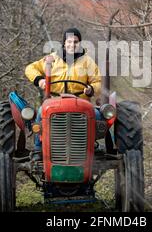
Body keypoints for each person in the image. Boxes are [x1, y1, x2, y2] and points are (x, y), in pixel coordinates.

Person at [25, 28, 102, 159]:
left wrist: (91, 89)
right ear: (64, 43)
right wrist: (40, 80)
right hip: (55, 101)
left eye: (76, 42)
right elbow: (30, 68)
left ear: (80, 43)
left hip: (81, 102)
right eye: (69, 41)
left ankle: (91, 145)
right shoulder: (52, 59)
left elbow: (97, 81)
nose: (72, 45)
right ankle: (38, 148)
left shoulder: (87, 61)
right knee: (40, 112)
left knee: (97, 115)